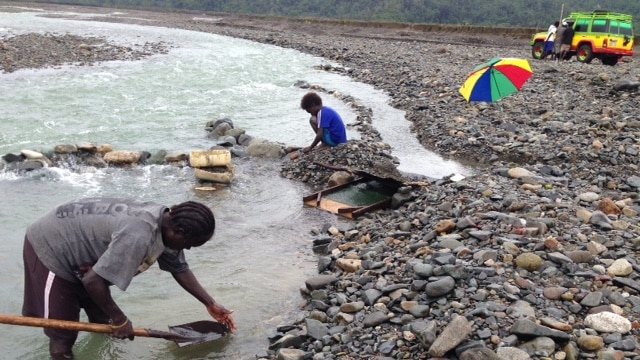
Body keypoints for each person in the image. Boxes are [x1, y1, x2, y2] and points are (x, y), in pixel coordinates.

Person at [21, 198, 237, 359]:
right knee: (63, 333)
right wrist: (121, 320)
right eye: (190, 243)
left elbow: (179, 268)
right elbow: (92, 281)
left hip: (84, 257)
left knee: (100, 316)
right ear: (178, 230)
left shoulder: (166, 224)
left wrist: (210, 303)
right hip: (52, 247)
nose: (188, 248)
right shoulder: (138, 235)